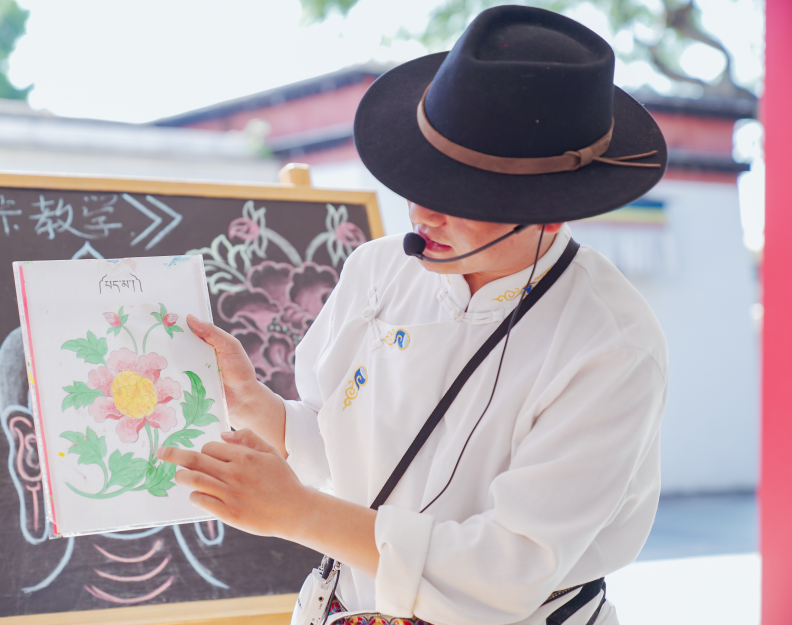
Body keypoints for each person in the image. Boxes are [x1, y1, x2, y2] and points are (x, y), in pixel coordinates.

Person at [157, 6, 668, 625]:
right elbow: (342, 454)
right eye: (420, 181)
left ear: (550, 211)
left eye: (459, 197)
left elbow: (512, 565)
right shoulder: (377, 268)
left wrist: (300, 514)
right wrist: (253, 403)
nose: (424, 214)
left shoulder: (610, 344)